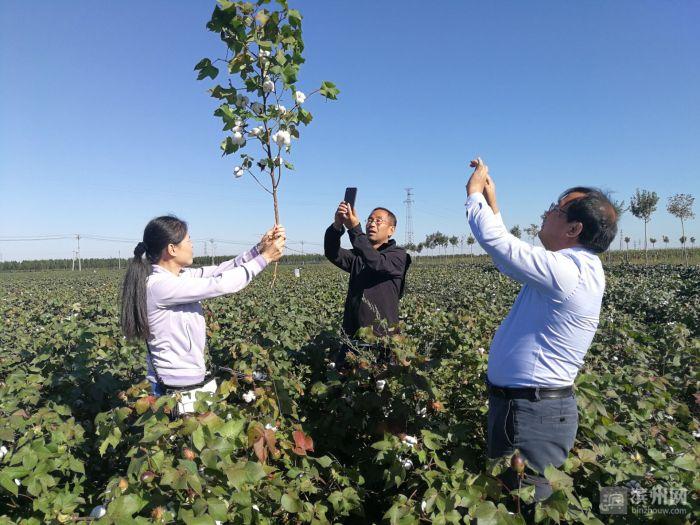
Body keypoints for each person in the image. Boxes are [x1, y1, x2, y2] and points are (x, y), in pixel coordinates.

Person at [464, 157, 618, 501]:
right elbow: (509, 260)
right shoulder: (567, 269)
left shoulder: (570, 272)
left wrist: (474, 196)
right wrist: (493, 205)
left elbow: (502, 248)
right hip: (524, 409)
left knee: (526, 505)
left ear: (574, 229)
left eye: (555, 209)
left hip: (532, 414)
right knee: (512, 500)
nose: (546, 213)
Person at [120, 215, 285, 396]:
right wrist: (265, 258)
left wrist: (259, 248)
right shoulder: (159, 286)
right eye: (189, 241)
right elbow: (220, 284)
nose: (192, 246)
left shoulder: (180, 277)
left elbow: (221, 270)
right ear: (172, 249)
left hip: (186, 381)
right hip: (175, 387)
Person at [324, 202, 411, 343]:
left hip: (384, 339)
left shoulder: (398, 256)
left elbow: (376, 262)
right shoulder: (358, 257)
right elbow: (332, 252)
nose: (372, 224)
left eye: (378, 221)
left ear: (391, 230)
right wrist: (336, 226)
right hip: (353, 337)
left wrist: (354, 229)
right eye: (370, 220)